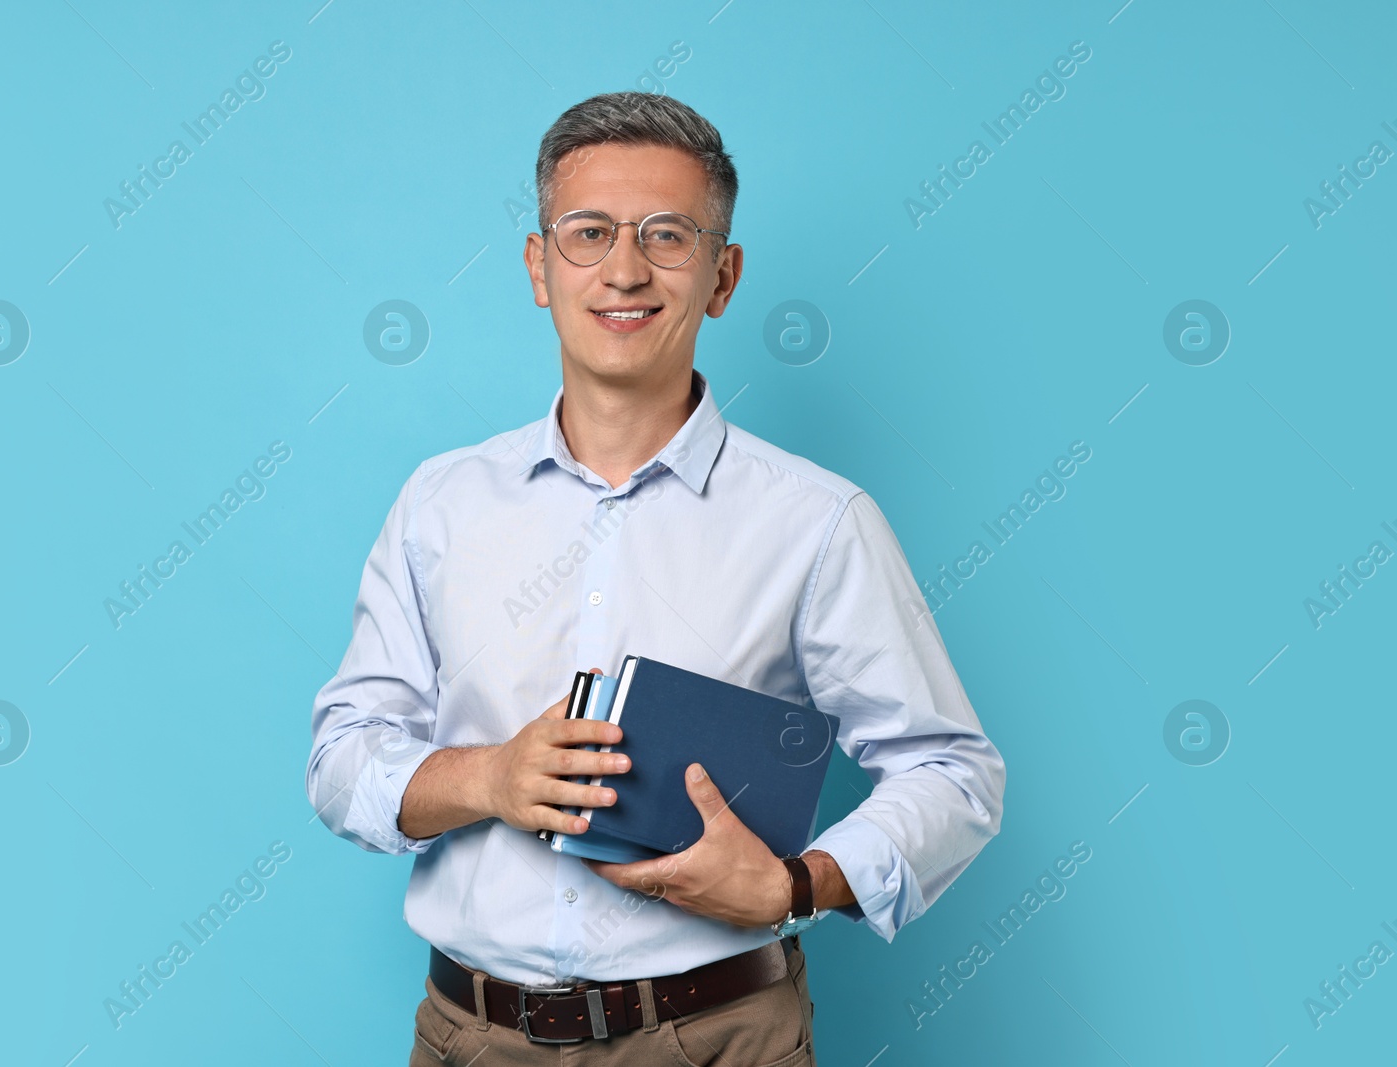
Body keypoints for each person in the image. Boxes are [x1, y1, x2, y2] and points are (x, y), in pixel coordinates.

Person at [305, 91, 1005, 1066]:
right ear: (537, 267)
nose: (624, 269)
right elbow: (342, 756)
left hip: (721, 1039)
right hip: (470, 1039)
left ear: (722, 276)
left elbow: (954, 770)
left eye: (666, 235)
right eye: (587, 233)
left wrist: (798, 884)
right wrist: (489, 775)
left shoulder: (816, 521)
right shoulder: (440, 504)